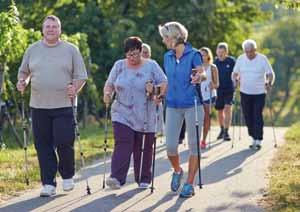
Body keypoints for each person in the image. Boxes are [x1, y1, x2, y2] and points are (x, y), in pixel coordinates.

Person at [16, 15, 88, 197]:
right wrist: (22, 82)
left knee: (64, 141)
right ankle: (48, 183)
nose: (50, 29)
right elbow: (24, 72)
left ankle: (67, 176)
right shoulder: (32, 49)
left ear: (60, 30)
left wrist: (75, 88)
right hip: (39, 105)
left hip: (64, 104)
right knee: (43, 145)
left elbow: (81, 76)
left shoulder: (71, 50)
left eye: (54, 27)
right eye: (47, 26)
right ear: (42, 29)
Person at [103, 36, 167, 189]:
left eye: (136, 54)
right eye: (130, 54)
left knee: (143, 146)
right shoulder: (119, 66)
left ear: (141, 51)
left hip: (145, 112)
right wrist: (107, 94)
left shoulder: (151, 66)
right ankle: (117, 178)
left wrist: (155, 91)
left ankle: (143, 178)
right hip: (122, 112)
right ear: (125, 54)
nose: (133, 58)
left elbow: (164, 83)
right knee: (123, 142)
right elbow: (110, 84)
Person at [158, 21, 206, 198]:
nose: (163, 40)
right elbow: (168, 81)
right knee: (171, 147)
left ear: (174, 37)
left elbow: (202, 72)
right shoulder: (167, 56)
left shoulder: (194, 54)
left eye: (165, 37)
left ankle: (189, 183)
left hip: (193, 104)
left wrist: (199, 77)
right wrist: (160, 94)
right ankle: (178, 170)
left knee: (194, 146)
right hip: (172, 105)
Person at [232, 39, 275, 150]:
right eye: (247, 51)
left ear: (255, 50)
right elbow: (234, 73)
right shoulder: (241, 59)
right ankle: (253, 135)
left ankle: (258, 139)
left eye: (251, 51)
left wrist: (269, 82)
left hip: (259, 92)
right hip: (245, 92)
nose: (249, 54)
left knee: (257, 114)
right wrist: (235, 80)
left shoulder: (262, 59)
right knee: (247, 115)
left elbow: (270, 74)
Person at [214, 42, 235, 141]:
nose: (221, 54)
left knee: (227, 109)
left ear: (226, 52)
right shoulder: (215, 63)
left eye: (223, 52)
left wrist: (237, 80)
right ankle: (221, 129)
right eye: (219, 51)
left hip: (229, 89)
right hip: (218, 89)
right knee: (220, 110)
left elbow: (236, 73)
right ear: (216, 52)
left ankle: (226, 131)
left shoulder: (231, 61)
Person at [200, 47, 219, 149]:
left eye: (204, 54)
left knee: (206, 117)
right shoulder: (196, 67)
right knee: (197, 118)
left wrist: (213, 85)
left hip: (209, 95)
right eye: (201, 54)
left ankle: (203, 140)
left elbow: (217, 84)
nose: (202, 56)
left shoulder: (213, 67)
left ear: (208, 56)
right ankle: (195, 139)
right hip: (198, 95)